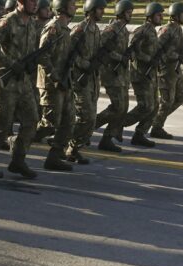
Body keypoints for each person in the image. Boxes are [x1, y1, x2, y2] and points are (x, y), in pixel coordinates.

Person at [0, 0, 39, 179]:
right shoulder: (7, 22)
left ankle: (18, 160)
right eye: (31, 1)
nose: (35, 5)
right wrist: (10, 63)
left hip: (23, 82)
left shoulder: (32, 25)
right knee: (1, 124)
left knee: (32, 120)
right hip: (5, 82)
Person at [35, 0, 75, 171]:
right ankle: (17, 141)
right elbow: (42, 55)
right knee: (49, 123)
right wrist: (55, 77)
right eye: (72, 4)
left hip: (64, 82)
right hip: (51, 83)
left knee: (68, 120)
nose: (75, 7)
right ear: (63, 7)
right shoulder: (53, 28)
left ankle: (54, 157)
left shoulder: (66, 28)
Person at [65, 0, 104, 165]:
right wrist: (84, 64)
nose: (102, 12)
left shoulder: (96, 30)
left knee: (91, 119)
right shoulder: (80, 29)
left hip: (93, 80)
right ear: (91, 10)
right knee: (85, 117)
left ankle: (73, 150)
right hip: (79, 79)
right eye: (100, 9)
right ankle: (65, 144)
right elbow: (67, 51)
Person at [123, 2, 163, 148]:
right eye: (159, 15)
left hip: (150, 75)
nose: (162, 17)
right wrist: (148, 60)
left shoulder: (153, 31)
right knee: (145, 106)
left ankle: (139, 134)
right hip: (140, 74)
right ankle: (119, 124)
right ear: (151, 16)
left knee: (154, 106)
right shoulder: (143, 30)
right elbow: (133, 50)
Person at [94, 0, 132, 152]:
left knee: (123, 108)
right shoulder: (112, 29)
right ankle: (89, 126)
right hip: (111, 74)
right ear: (121, 13)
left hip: (121, 75)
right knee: (118, 107)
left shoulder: (124, 30)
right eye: (129, 12)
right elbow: (102, 48)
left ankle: (107, 138)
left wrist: (129, 54)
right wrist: (119, 57)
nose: (131, 15)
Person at [151, 1, 183, 140]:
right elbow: (157, 49)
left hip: (176, 70)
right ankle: (156, 126)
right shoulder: (167, 29)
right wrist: (175, 55)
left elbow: (182, 51)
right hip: (166, 70)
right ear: (176, 15)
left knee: (181, 96)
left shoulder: (178, 29)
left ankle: (156, 121)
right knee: (167, 100)